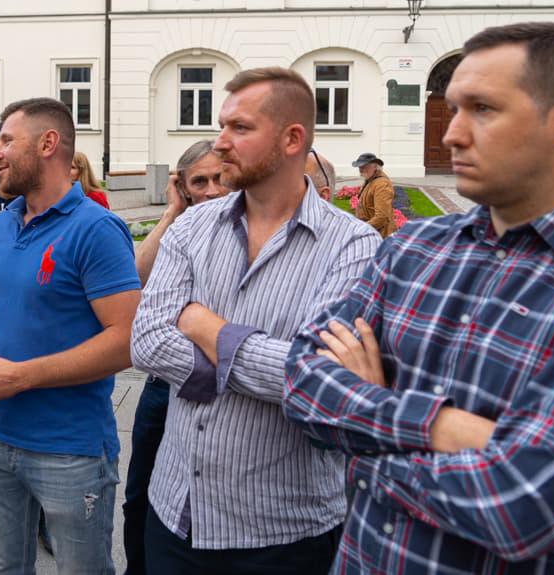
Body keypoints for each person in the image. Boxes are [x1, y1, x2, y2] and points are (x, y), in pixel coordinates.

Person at [283, 22, 554, 574]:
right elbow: (302, 379)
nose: (452, 134)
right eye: (453, 109)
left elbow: (526, 505)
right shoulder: (414, 248)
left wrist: (365, 439)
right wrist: (449, 429)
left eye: (482, 109)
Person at [130, 67, 380, 574]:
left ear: (292, 139)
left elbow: (323, 383)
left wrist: (206, 328)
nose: (220, 142)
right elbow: (147, 341)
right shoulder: (193, 226)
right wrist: (279, 365)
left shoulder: (354, 245)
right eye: (222, 126)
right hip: (177, 514)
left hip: (282, 531)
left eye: (239, 128)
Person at [0, 97, 141, 574]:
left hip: (69, 448)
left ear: (48, 143)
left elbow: (126, 339)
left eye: (6, 141)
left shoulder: (97, 229)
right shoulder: (0, 226)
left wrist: (22, 376)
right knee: (2, 566)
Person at [122, 139, 230, 575]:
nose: (211, 190)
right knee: (139, 493)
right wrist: (171, 212)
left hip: (227, 388)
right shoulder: (180, 230)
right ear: (183, 188)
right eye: (198, 182)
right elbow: (136, 277)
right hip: (163, 385)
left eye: (219, 178)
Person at [351, 152, 395, 236]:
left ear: (375, 166)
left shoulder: (382, 184)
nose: (361, 169)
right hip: (371, 231)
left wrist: (361, 230)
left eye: (364, 166)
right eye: (359, 167)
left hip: (379, 235)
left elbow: (381, 217)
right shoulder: (370, 179)